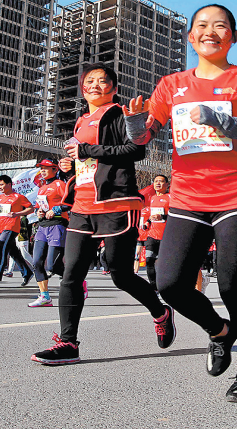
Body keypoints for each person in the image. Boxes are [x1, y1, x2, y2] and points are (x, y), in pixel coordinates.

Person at [124, 4, 237, 402]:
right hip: (188, 197)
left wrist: (220, 119)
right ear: (191, 37)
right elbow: (144, 138)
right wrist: (135, 122)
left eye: (221, 26)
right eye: (202, 27)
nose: (211, 31)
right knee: (170, 283)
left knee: (232, 285)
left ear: (233, 36)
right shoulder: (171, 84)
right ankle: (220, 331)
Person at [31, 63, 173, 365]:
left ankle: (160, 311)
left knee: (120, 274)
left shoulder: (119, 114)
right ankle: (68, 343)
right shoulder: (81, 121)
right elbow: (86, 161)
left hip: (116, 205)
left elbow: (135, 151)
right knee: (70, 275)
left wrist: (87, 152)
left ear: (114, 87)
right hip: (82, 208)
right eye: (90, 81)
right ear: (82, 89)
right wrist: (72, 167)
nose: (95, 84)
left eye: (103, 80)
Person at [28, 159, 71, 307]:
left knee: (52, 266)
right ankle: (45, 296)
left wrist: (56, 210)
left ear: (54, 169)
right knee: (37, 262)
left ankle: (79, 282)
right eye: (41, 168)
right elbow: (38, 206)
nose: (43, 171)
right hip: (42, 226)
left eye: (46, 168)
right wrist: (38, 211)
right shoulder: (41, 188)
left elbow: (69, 202)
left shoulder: (60, 184)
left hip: (57, 225)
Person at [0, 175, 34, 286]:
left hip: (11, 227)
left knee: (2, 248)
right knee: (13, 251)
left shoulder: (18, 197)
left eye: (2, 184)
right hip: (1, 226)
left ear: (9, 184)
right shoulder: (1, 197)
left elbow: (31, 208)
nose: (0, 187)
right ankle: (27, 272)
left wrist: (17, 214)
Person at [144, 175, 170, 292]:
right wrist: (147, 222)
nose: (158, 183)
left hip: (166, 236)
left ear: (167, 184)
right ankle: (154, 287)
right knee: (149, 260)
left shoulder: (170, 197)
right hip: (152, 235)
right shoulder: (152, 198)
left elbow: (175, 217)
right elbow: (152, 215)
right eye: (155, 181)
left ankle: (164, 285)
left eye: (161, 181)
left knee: (164, 264)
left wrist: (162, 216)